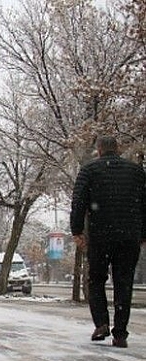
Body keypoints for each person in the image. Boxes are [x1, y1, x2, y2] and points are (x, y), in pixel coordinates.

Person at [70, 135, 146, 348]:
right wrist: (142, 234)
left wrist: (77, 231)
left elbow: (78, 202)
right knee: (124, 283)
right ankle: (120, 333)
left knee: (96, 280)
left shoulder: (89, 171)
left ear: (99, 150)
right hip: (129, 237)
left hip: (100, 236)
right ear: (118, 149)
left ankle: (101, 323)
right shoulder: (137, 172)